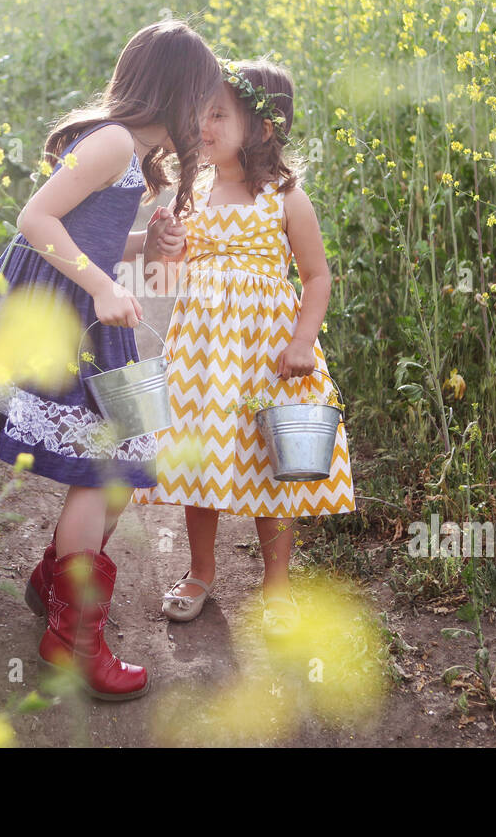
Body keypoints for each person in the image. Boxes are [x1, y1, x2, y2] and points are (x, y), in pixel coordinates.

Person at [0, 20, 216, 699]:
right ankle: (73, 639)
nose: (207, 118)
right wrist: (102, 286)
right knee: (104, 470)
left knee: (127, 465)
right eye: (203, 101)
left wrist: (143, 245)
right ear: (176, 93)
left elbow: (84, 234)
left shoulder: (127, 150)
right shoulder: (112, 141)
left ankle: (57, 583)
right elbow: (34, 219)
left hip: (89, 315)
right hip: (64, 319)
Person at [130, 58, 355, 638]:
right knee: (197, 453)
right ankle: (201, 570)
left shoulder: (283, 197)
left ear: (262, 128)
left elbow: (316, 277)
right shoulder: (194, 191)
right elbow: (163, 281)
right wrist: (162, 246)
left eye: (218, 114)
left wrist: (304, 341)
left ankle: (276, 584)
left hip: (265, 352)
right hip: (202, 352)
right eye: (201, 112)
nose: (203, 124)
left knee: (272, 463)